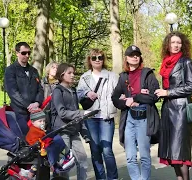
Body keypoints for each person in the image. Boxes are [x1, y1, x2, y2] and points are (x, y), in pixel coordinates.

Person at [111, 45, 160, 180]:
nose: (135, 57)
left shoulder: (148, 74)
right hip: (129, 118)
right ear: (126, 58)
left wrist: (136, 97)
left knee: (144, 155)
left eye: (137, 54)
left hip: (144, 117)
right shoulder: (123, 77)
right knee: (130, 156)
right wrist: (125, 102)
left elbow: (155, 96)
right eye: (132, 55)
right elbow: (115, 98)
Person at [155, 32, 192, 180]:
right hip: (167, 109)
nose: (176, 45)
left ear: (182, 45)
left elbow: (191, 87)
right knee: (172, 153)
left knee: (180, 152)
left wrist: (167, 92)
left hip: (180, 110)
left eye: (178, 42)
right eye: (173, 42)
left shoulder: (186, 62)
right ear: (167, 44)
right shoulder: (166, 62)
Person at [77, 48, 119, 180]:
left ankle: (112, 178)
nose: (97, 60)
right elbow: (77, 94)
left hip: (106, 117)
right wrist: (86, 93)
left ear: (103, 59)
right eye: (94, 58)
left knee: (107, 150)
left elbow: (118, 94)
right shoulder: (85, 77)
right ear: (90, 60)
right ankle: (100, 178)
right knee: (95, 151)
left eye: (100, 57)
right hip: (91, 118)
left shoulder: (112, 76)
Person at [51, 63, 90, 180]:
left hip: (74, 131)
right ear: (62, 75)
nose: (73, 75)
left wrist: (85, 133)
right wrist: (82, 113)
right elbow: (62, 112)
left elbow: (76, 112)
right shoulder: (58, 91)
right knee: (65, 165)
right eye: (69, 73)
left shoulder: (73, 91)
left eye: (73, 73)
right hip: (62, 132)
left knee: (83, 161)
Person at [4, 42, 44, 135]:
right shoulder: (10, 70)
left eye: (29, 53)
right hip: (19, 113)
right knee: (22, 141)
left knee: (36, 141)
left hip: (35, 113)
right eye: (23, 53)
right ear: (17, 53)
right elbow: (13, 92)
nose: (27, 55)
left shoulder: (34, 71)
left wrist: (37, 103)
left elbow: (40, 89)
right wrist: (28, 106)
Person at [23, 109, 75, 178]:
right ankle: (56, 163)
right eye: (40, 121)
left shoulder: (39, 129)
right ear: (32, 122)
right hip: (40, 149)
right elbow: (36, 142)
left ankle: (63, 158)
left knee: (57, 139)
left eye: (44, 121)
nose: (42, 123)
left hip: (43, 146)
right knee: (56, 141)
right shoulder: (33, 131)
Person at [42, 62, 59, 129]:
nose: (55, 69)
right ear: (48, 69)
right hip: (44, 112)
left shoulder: (60, 83)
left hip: (56, 113)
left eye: (57, 68)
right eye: (53, 67)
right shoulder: (42, 82)